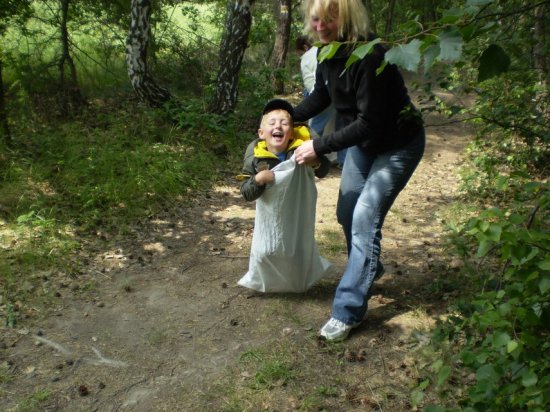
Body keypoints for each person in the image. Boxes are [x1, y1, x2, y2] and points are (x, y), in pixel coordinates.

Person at [293, 0, 425, 341]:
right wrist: (282, 115)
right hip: (364, 146)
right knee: (347, 211)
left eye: (329, 19)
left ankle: (347, 309)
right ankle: (369, 268)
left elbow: (370, 122)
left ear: (348, 17)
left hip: (397, 144)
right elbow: (321, 96)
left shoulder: (371, 55)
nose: (320, 27)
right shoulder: (326, 54)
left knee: (366, 217)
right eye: (316, 20)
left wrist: (319, 146)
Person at [238, 98, 333, 293]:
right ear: (261, 133)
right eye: (272, 123)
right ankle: (264, 281)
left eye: (284, 123)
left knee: (297, 247)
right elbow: (246, 192)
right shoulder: (255, 155)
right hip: (271, 214)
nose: (278, 126)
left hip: (297, 209)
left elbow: (323, 170)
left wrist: (315, 162)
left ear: (291, 132)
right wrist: (258, 180)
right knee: (266, 251)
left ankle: (298, 281)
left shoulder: (302, 147)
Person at [296, 36, 347, 168]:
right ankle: (343, 161)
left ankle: (312, 160)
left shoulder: (307, 57)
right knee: (342, 126)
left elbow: (310, 83)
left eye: (300, 52)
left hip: (321, 96)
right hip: (339, 94)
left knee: (314, 129)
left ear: (304, 47)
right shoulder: (328, 48)